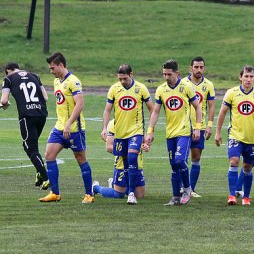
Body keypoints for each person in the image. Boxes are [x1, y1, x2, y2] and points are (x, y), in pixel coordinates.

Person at [144, 59, 202, 206]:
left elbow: (198, 107)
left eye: (169, 74)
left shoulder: (186, 87)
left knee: (179, 160)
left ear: (177, 73)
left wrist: (197, 127)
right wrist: (150, 131)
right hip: (170, 133)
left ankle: (187, 189)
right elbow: (156, 112)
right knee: (173, 165)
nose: (166, 77)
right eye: (164, 74)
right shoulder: (161, 89)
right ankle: (176, 196)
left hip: (184, 131)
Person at [39, 52, 94, 203]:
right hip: (60, 128)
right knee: (49, 155)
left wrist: (69, 123)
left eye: (52, 68)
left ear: (61, 65)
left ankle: (89, 194)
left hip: (75, 129)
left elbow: (80, 104)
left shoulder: (73, 81)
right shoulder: (57, 81)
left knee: (80, 158)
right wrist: (63, 124)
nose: (51, 72)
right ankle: (55, 193)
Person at [100, 64, 153, 205]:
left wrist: (150, 131)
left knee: (131, 157)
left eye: (124, 78)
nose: (122, 81)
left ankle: (130, 194)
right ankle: (102, 186)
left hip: (136, 131)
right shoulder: (114, 89)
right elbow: (107, 110)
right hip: (120, 133)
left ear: (131, 74)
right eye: (120, 79)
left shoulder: (141, 88)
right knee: (125, 163)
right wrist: (104, 128)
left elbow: (152, 109)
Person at [215, 65, 254, 206]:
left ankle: (246, 197)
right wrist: (218, 132)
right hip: (235, 135)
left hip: (253, 137)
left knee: (247, 167)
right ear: (240, 77)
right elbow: (223, 112)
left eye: (251, 77)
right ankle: (231, 196)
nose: (248, 79)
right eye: (246, 76)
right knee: (234, 161)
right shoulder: (232, 93)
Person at [1, 62, 49, 189]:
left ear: (8, 70)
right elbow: (46, 97)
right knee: (33, 145)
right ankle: (39, 173)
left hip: (27, 116)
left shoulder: (8, 79)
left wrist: (4, 105)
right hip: (41, 114)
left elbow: (4, 100)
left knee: (30, 148)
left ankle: (46, 177)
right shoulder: (34, 76)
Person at [181, 56, 215, 197]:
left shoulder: (208, 85)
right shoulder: (182, 83)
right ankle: (181, 187)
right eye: (196, 67)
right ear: (191, 68)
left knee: (195, 158)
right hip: (182, 126)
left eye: (201, 67)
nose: (199, 70)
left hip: (199, 127)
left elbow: (212, 106)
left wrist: (209, 125)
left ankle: (191, 189)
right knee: (181, 159)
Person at [93, 119, 147, 199]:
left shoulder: (138, 121)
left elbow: (144, 141)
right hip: (121, 164)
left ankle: (114, 184)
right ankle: (95, 187)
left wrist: (145, 145)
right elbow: (109, 147)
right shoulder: (113, 124)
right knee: (118, 195)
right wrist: (129, 151)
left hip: (137, 164)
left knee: (139, 196)